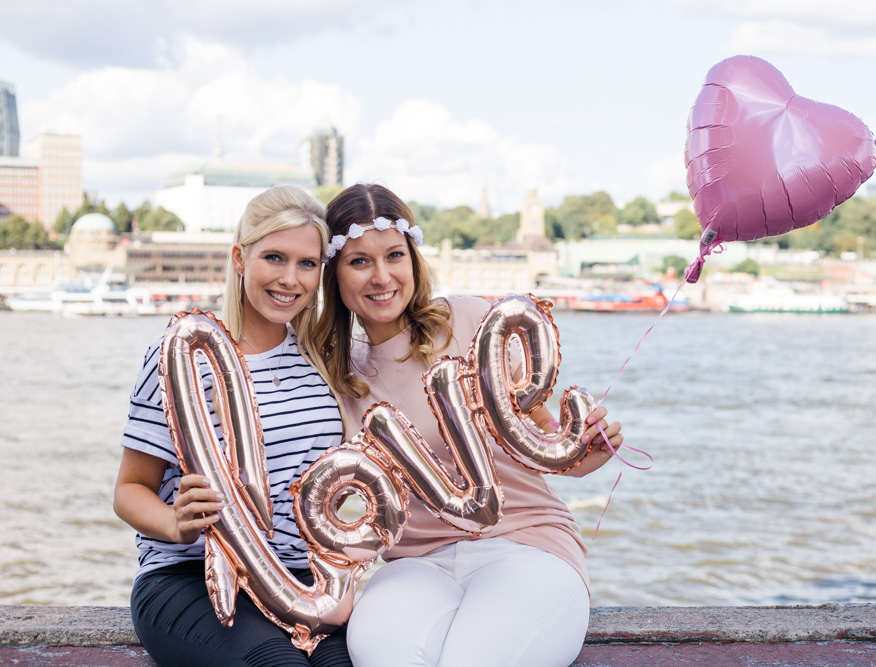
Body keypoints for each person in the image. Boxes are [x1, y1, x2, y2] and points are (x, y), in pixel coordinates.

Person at [312, 183, 624, 667]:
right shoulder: (334, 376)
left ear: (414, 259)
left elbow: (548, 443)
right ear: (333, 273)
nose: (381, 276)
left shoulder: (470, 322)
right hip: (414, 565)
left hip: (526, 545)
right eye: (359, 261)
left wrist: (589, 447)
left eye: (394, 255)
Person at [113, 185, 353, 667]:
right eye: (274, 258)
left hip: (300, 581)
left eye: (307, 263)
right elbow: (129, 490)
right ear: (240, 258)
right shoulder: (183, 358)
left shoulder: (324, 361)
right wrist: (174, 524)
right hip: (190, 578)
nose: (291, 278)